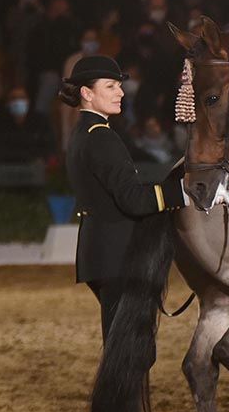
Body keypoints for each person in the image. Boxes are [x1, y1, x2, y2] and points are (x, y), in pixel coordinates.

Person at [59, 54, 185, 347]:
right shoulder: (102, 137)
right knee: (130, 353)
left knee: (127, 351)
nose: (120, 93)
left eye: (119, 86)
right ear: (87, 94)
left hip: (100, 254)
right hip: (118, 256)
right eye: (111, 86)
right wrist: (185, 194)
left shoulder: (83, 134)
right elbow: (133, 200)